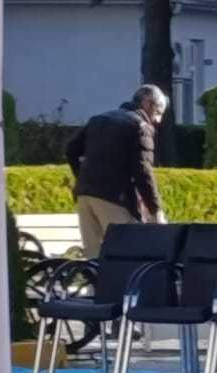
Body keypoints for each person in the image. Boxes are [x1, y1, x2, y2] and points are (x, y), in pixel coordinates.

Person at [65, 85, 165, 257]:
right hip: (114, 198)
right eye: (158, 112)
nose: (158, 120)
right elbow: (143, 172)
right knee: (128, 256)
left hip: (85, 195)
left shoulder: (98, 119)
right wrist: (156, 210)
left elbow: (70, 149)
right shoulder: (140, 126)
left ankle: (95, 276)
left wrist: (81, 177)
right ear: (147, 103)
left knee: (94, 259)